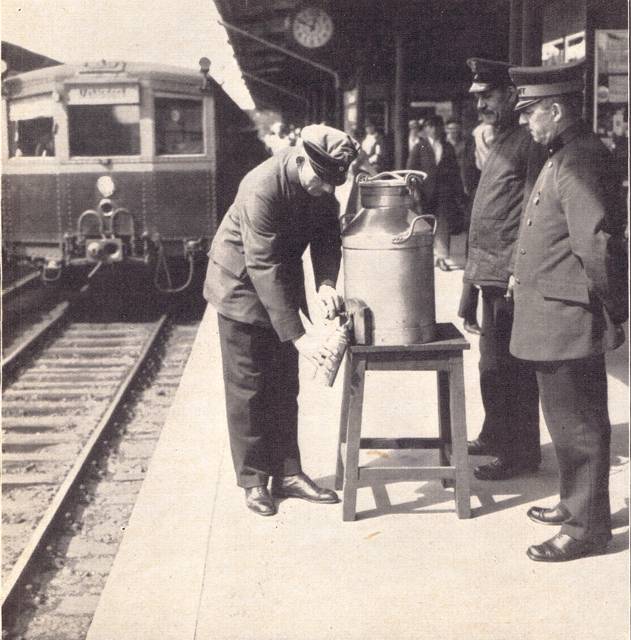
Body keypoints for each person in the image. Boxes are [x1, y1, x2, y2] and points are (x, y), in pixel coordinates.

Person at [204, 124, 359, 516]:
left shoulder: (320, 184)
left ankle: (288, 473)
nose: (326, 190)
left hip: (278, 282)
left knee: (285, 384)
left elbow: (327, 238)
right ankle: (254, 480)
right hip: (239, 286)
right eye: (321, 181)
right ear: (301, 159)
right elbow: (262, 263)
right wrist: (298, 336)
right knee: (249, 387)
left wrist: (326, 283)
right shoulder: (260, 186)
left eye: (333, 184)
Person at [508, 61, 628, 561]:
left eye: (530, 111)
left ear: (555, 110)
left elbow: (595, 243)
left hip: (569, 314)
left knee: (579, 425)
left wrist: (615, 307)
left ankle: (586, 529)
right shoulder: (566, 153)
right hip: (553, 313)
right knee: (567, 419)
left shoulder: (580, 158)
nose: (524, 122)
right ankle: (576, 501)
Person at [462, 58, 546, 480]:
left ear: (512, 95)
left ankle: (520, 453)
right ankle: (496, 434)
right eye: (477, 97)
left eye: (488, 96)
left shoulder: (527, 142)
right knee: (491, 364)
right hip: (490, 274)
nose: (480, 105)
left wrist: (517, 270)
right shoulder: (501, 139)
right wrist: (470, 283)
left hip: (509, 276)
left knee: (511, 368)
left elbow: (532, 210)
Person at [419, 115, 464, 271]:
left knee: (443, 224)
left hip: (444, 192)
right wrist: (413, 189)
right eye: (430, 126)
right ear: (426, 129)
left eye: (436, 126)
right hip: (425, 192)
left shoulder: (448, 146)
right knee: (426, 224)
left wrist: (459, 192)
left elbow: (455, 171)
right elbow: (411, 167)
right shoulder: (420, 146)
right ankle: (427, 256)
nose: (434, 129)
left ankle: (442, 257)